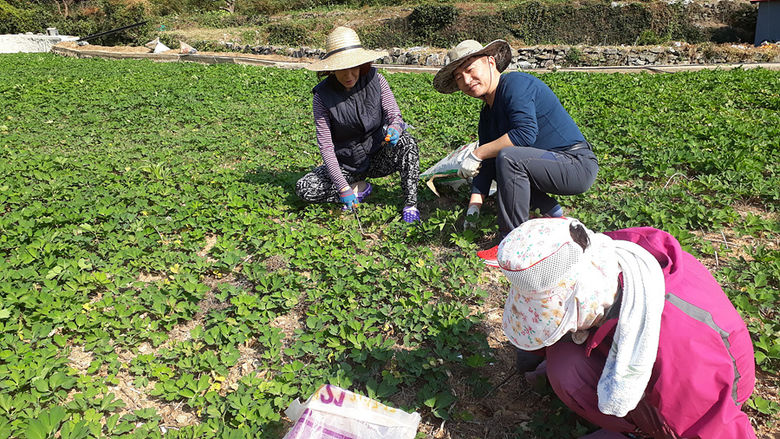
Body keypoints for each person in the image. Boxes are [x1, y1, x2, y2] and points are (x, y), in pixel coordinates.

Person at [496, 217, 757, 439]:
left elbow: (716, 426)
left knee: (568, 371)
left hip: (710, 388)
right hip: (654, 352)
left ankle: (647, 429)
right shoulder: (604, 258)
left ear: (584, 295)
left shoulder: (680, 344)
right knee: (564, 365)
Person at [432, 40, 598, 265]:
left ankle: (511, 245)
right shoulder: (487, 115)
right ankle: (554, 215)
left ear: (491, 62)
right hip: (549, 167)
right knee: (502, 162)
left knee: (508, 158)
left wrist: (478, 153)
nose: (467, 81)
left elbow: (524, 134)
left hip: (575, 165)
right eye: (459, 77)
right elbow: (488, 165)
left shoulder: (515, 85)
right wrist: (474, 206)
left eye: (470, 70)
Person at [295, 26, 421, 223]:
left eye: (353, 67)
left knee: (407, 142)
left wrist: (396, 128)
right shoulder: (322, 97)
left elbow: (394, 114)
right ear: (331, 68)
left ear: (362, 64)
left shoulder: (377, 80)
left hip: (378, 155)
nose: (349, 76)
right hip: (348, 164)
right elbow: (326, 147)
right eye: (342, 69)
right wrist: (342, 187)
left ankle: (410, 204)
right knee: (304, 188)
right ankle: (359, 188)